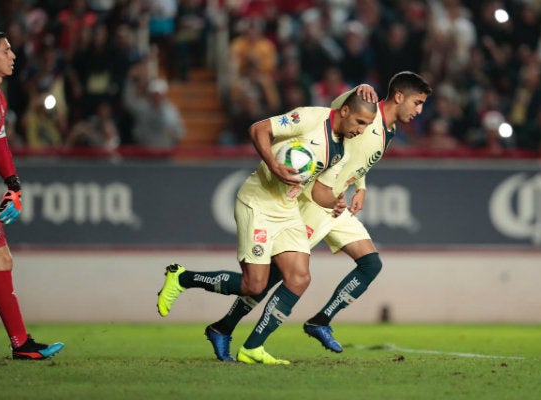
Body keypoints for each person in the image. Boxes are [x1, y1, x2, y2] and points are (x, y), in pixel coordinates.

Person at [200, 71, 432, 360]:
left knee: (370, 263)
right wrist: (358, 88)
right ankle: (227, 329)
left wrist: (360, 186)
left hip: (336, 204)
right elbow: (336, 112)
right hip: (314, 200)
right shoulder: (363, 111)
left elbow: (358, 162)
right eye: (418, 102)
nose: (419, 110)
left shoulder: (390, 129)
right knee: (278, 276)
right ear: (399, 96)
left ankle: (320, 321)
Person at [157, 91, 377, 364]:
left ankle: (252, 347)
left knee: (299, 278)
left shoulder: (340, 150)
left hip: (288, 211)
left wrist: (335, 202)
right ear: (344, 111)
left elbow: (319, 192)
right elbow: (259, 129)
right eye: (359, 121)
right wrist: (274, 165)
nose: (361, 130)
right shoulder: (310, 118)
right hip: (258, 203)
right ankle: (182, 278)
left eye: (367, 125)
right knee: (254, 284)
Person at [0, 30, 64, 360]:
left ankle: (21, 343)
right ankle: (20, 343)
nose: (13, 56)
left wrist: (13, 184)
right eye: (6, 50)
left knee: (1, 260)